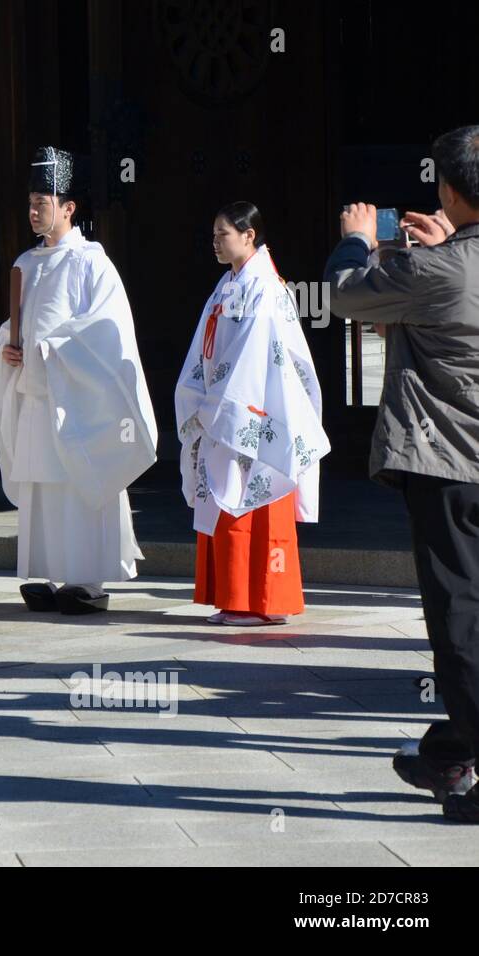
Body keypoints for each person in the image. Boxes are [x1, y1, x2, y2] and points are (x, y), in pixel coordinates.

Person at [324, 125, 479, 821]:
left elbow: (347, 295)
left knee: (460, 620)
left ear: (446, 190)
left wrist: (357, 238)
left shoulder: (435, 269)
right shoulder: (447, 263)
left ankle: (461, 757)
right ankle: (450, 754)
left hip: (450, 466)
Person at [0, 146, 157, 614]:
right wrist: (11, 346)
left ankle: (87, 578)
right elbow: (15, 323)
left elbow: (107, 330)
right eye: (30, 202)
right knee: (43, 483)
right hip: (37, 394)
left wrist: (50, 351)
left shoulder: (91, 263)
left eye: (44, 202)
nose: (34, 211)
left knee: (79, 478)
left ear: (68, 207)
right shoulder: (26, 262)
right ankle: (46, 570)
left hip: (76, 399)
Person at [175, 203, 329, 626]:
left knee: (252, 498)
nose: (215, 243)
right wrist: (199, 393)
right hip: (226, 404)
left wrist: (221, 401)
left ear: (249, 236)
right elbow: (203, 352)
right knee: (227, 498)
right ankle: (233, 597)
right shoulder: (227, 286)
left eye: (222, 235)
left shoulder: (265, 287)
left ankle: (258, 600)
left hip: (256, 412)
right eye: (213, 235)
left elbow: (256, 354)